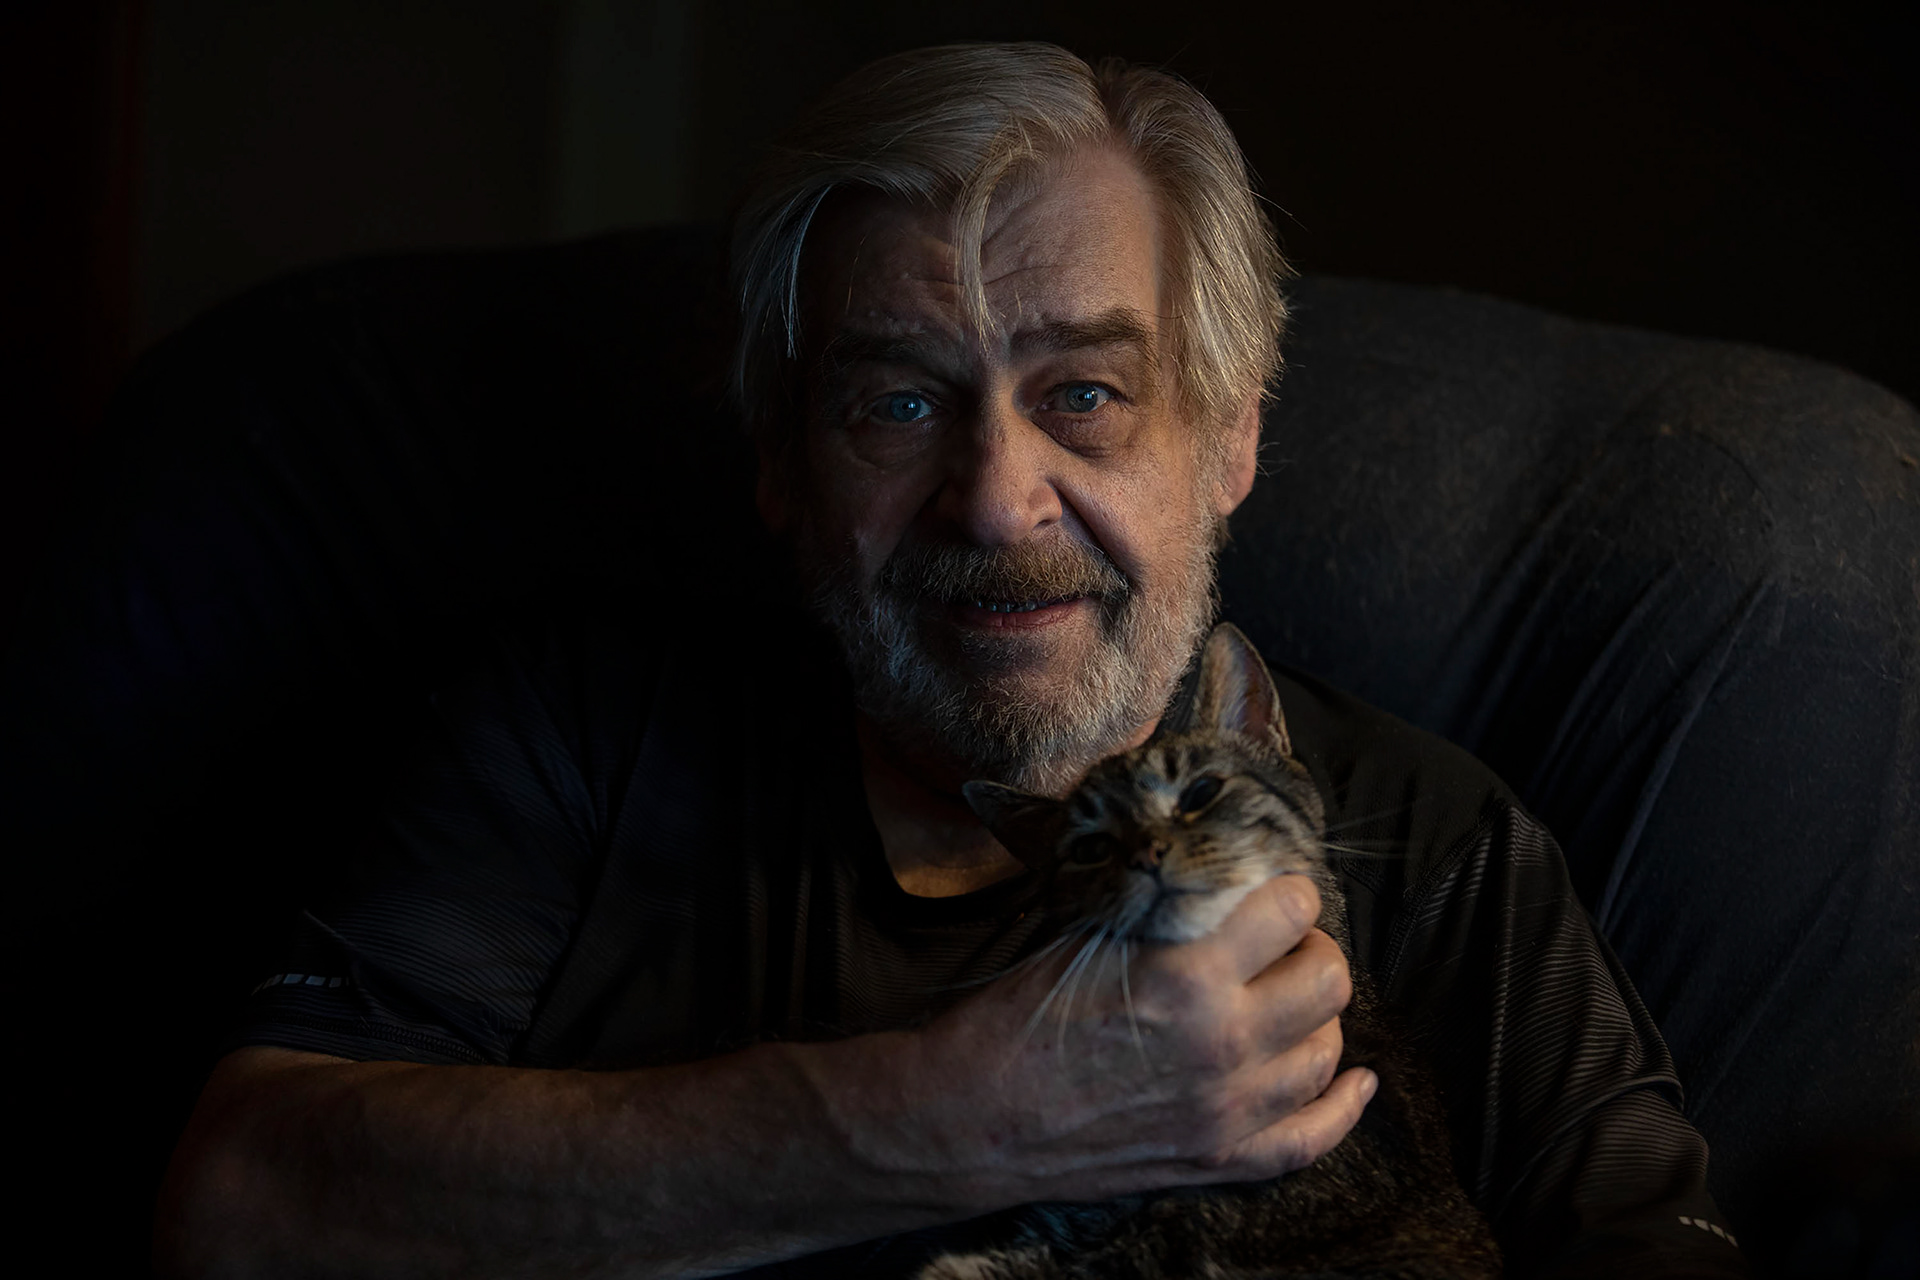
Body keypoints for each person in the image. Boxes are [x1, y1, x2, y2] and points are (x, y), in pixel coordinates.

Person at [154, 44, 1749, 1278]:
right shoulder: (578, 737)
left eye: (1086, 396)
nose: (994, 500)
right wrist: (944, 1127)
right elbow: (243, 1208)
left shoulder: (1435, 844)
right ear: (780, 461)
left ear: (1233, 439)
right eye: (900, 402)